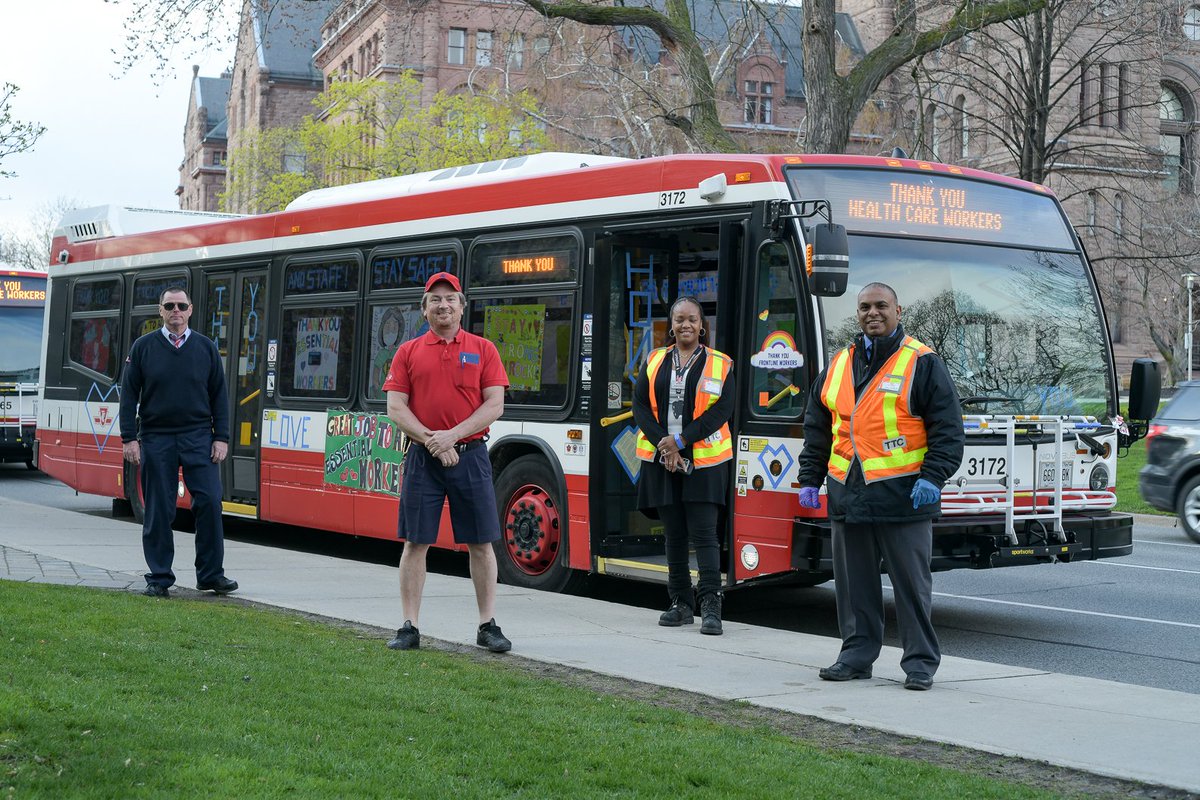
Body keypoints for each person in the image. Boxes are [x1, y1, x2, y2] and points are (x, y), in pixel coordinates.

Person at [797, 282, 963, 690]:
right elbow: (818, 427)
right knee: (854, 587)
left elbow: (948, 429)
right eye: (865, 307)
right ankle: (856, 656)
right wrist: (809, 478)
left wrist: (933, 477)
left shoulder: (922, 361)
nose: (873, 313)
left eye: (881, 306)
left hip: (904, 497)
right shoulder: (839, 363)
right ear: (857, 314)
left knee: (911, 588)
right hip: (848, 495)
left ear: (898, 311)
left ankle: (920, 665)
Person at [383, 271, 512, 653]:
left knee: (481, 543)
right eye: (435, 300)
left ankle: (487, 625)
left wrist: (451, 437)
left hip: (470, 457)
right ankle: (409, 626)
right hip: (422, 458)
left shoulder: (484, 349)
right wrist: (433, 442)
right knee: (415, 542)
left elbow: (495, 404)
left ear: (462, 306)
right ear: (424, 310)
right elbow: (395, 407)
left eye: (450, 298)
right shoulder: (407, 352)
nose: (443, 305)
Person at [120, 287, 236, 598]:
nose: (176, 311)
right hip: (156, 437)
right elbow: (128, 395)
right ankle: (159, 578)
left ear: (190, 310)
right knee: (159, 508)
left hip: (199, 436)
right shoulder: (143, 348)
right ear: (160, 310)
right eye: (169, 305)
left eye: (181, 306)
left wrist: (221, 438)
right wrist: (129, 439)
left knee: (210, 501)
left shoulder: (206, 348)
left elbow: (219, 396)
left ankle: (211, 575)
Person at [632, 296, 734, 635]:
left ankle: (711, 607)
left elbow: (721, 412)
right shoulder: (654, 359)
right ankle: (680, 603)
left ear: (702, 325)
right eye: (679, 320)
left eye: (692, 319)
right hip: (662, 459)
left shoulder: (721, 364)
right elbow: (640, 406)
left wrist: (681, 440)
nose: (685, 325)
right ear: (672, 325)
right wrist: (665, 443)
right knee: (673, 534)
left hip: (705, 462)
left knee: (705, 535)